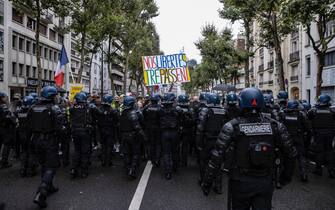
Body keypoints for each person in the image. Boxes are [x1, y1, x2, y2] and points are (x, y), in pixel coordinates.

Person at [202, 88, 297, 210]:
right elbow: (290, 153)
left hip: (240, 182)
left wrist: (207, 183)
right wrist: (285, 178)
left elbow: (216, 156)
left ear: (240, 103)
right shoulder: (275, 126)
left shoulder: (232, 126)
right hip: (265, 181)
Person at [27, 86, 64, 208]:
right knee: (51, 166)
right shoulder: (54, 108)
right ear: (52, 96)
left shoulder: (32, 108)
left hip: (36, 140)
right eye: (55, 95)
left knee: (44, 164)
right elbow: (59, 128)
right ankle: (41, 193)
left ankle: (50, 186)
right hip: (49, 140)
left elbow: (28, 125)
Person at [197, 93, 228, 194]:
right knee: (218, 163)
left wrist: (199, 143)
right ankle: (218, 186)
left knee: (205, 162)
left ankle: (204, 181)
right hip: (220, 141)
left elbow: (200, 128)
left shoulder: (205, 111)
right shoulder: (224, 111)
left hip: (208, 140)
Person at [308, 95, 335, 178]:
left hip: (318, 133)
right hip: (330, 133)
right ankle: (331, 171)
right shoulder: (332, 110)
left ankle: (318, 170)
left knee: (319, 151)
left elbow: (308, 118)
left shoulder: (313, 110)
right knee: (329, 151)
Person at [282, 100, 310, 182]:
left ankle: (286, 175)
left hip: (287, 138)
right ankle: (303, 175)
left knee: (287, 156)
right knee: (301, 156)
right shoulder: (301, 114)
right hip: (298, 137)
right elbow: (307, 127)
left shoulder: (283, 114)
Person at [120, 96, 146, 179]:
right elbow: (140, 125)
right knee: (135, 153)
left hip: (124, 136)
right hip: (134, 136)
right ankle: (132, 170)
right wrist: (144, 137)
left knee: (127, 153)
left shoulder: (122, 112)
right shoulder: (137, 113)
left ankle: (128, 169)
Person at [69, 92, 92, 179]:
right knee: (84, 152)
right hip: (84, 131)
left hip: (75, 131)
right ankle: (84, 171)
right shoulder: (88, 107)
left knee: (77, 151)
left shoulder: (72, 108)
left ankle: (73, 170)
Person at [159, 93, 181, 180]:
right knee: (175, 151)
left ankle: (168, 172)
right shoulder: (177, 110)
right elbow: (181, 119)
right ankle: (175, 167)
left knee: (166, 153)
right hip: (174, 133)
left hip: (164, 133)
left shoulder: (160, 110)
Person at [96, 94, 119, 167]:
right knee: (109, 146)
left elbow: (97, 119)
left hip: (101, 130)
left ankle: (103, 161)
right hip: (110, 130)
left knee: (103, 146)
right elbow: (116, 120)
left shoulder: (99, 109)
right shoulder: (113, 110)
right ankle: (108, 161)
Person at [16, 96, 35, 177]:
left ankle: (22, 170)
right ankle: (31, 170)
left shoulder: (19, 111)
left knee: (24, 152)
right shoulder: (32, 111)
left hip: (21, 134)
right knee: (31, 152)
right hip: (30, 134)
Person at [142, 94, 162, 167]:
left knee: (150, 143)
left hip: (149, 128)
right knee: (158, 144)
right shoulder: (160, 108)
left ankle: (152, 158)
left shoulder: (146, 108)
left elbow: (142, 116)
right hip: (157, 128)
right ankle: (157, 159)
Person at [176, 94, 195, 167]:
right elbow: (193, 121)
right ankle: (184, 162)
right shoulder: (190, 109)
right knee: (185, 146)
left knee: (177, 146)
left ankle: (177, 160)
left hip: (178, 130)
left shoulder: (176, 109)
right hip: (187, 130)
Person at [0, 92, 16, 169]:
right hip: (5, 129)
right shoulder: (3, 106)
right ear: (2, 98)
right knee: (7, 146)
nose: (7, 98)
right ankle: (4, 162)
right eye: (5, 97)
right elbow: (8, 118)